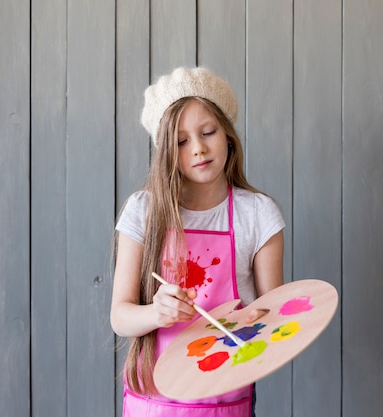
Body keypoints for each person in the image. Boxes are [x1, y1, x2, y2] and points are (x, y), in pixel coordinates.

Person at [110, 67, 285, 417]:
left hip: (226, 400)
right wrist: (156, 313)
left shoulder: (257, 214)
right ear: (166, 151)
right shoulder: (143, 210)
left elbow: (273, 318)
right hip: (153, 402)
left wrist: (258, 325)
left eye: (208, 132)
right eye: (181, 141)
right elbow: (120, 316)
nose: (199, 149)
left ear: (228, 135)